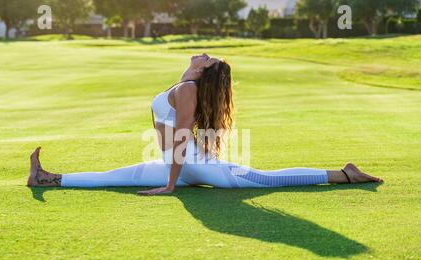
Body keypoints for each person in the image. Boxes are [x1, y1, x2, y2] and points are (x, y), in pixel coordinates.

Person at [27, 53, 383, 195]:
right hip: (178, 166)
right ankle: (47, 178)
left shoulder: (187, 89)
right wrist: (172, 176)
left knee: (263, 179)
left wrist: (170, 186)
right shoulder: (186, 84)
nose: (203, 53)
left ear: (203, 72)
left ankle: (343, 174)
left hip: (190, 166)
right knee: (113, 177)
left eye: (206, 57)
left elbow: (182, 136)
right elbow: (179, 92)